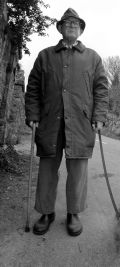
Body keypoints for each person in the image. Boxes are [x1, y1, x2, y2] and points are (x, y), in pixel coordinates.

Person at [25, 8, 108, 236]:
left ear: (81, 30)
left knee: (78, 172)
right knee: (47, 171)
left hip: (81, 125)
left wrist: (99, 116)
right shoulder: (45, 55)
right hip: (50, 122)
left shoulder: (92, 57)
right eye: (66, 23)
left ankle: (73, 213)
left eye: (75, 23)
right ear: (60, 28)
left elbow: (101, 89)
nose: (71, 25)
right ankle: (46, 212)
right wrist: (32, 114)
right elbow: (32, 88)